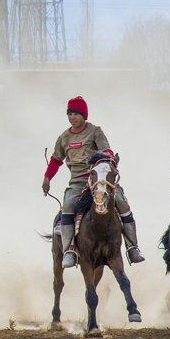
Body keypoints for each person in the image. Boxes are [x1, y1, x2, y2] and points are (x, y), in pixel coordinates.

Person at [42, 95, 145, 268]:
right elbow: (56, 160)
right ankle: (69, 251)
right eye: (69, 113)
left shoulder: (95, 131)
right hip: (77, 183)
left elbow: (107, 152)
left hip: (100, 179)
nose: (72, 117)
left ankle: (132, 247)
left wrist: (104, 162)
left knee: (121, 202)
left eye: (75, 113)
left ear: (84, 115)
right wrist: (47, 178)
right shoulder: (64, 137)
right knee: (67, 207)